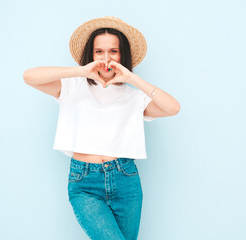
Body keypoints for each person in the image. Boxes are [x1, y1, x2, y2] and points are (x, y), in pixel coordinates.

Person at [23, 16, 180, 240]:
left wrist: (132, 78)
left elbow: (173, 108)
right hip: (84, 183)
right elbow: (29, 76)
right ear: (91, 54)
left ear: (122, 55)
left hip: (126, 180)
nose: (106, 58)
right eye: (99, 52)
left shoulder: (135, 97)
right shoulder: (72, 87)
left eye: (113, 52)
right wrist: (80, 72)